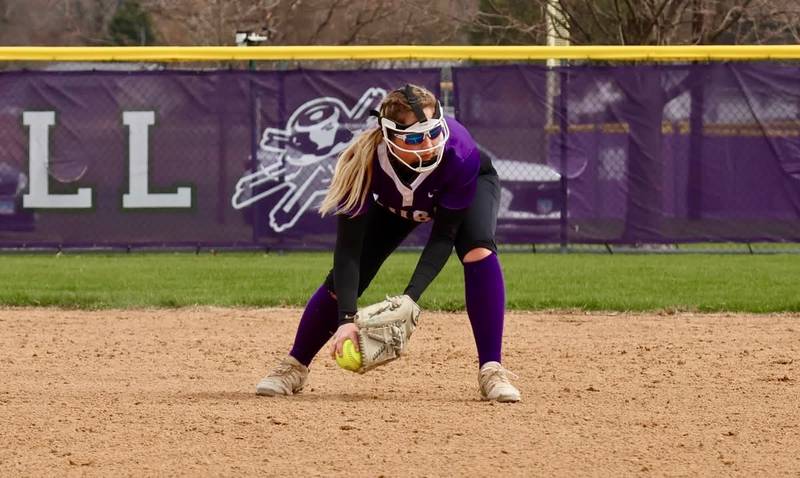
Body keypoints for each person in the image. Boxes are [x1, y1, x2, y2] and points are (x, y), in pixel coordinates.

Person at [255, 84, 520, 402]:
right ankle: (294, 366)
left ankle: (492, 369)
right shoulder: (361, 160)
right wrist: (346, 319)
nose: (428, 146)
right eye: (413, 138)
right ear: (389, 136)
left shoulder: (458, 151)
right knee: (345, 280)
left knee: (477, 248)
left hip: (467, 184)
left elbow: (443, 236)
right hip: (398, 203)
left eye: (434, 132)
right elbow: (348, 251)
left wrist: (411, 299)